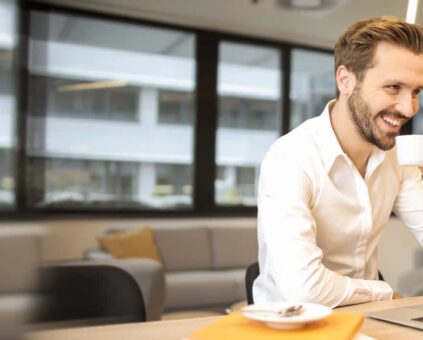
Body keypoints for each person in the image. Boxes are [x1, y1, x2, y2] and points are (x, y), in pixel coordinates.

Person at [253, 16, 423, 307]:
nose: (409, 108)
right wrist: (383, 292)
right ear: (345, 80)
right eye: (393, 87)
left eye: (416, 92)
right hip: (293, 326)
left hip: (368, 320)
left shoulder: (396, 156)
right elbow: (303, 289)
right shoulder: (290, 158)